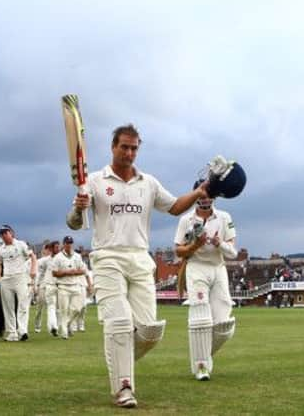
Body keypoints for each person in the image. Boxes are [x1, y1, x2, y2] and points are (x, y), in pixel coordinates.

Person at [66, 124, 213, 408]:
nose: (130, 153)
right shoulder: (95, 181)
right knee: (120, 323)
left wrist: (200, 192)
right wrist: (78, 206)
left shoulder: (148, 183)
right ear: (113, 147)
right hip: (107, 257)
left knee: (149, 331)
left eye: (134, 148)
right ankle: (124, 387)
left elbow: (174, 207)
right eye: (124, 147)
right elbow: (74, 222)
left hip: (140, 259)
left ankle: (117, 353)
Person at [174, 182, 237, 381]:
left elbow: (234, 252)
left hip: (218, 269)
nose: (205, 199)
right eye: (202, 195)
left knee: (223, 325)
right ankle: (201, 366)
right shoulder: (186, 220)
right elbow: (178, 251)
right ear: (196, 196)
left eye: (209, 196)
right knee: (201, 318)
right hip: (196, 268)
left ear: (214, 197)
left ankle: (203, 355)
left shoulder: (224, 218)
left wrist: (220, 244)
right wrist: (195, 245)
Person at [0, 225, 37, 342]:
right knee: (8, 307)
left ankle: (22, 331)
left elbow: (32, 256)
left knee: (23, 305)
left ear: (11, 233)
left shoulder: (21, 244)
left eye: (6, 233)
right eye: (2, 233)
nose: (4, 235)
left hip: (20, 277)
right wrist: (0, 278)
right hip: (6, 279)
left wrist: (33, 270)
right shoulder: (1, 249)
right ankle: (12, 333)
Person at [51, 236, 86, 339]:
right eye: (67, 243)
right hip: (63, 286)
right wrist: (66, 272)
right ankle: (64, 333)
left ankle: (67, 324)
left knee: (77, 308)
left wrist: (74, 272)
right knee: (64, 310)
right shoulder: (58, 257)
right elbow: (54, 273)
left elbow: (83, 270)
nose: (69, 245)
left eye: (70, 243)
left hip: (75, 285)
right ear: (64, 244)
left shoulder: (77, 256)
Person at [33, 242, 51, 334]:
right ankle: (37, 325)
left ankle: (53, 326)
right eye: (46, 248)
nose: (48, 250)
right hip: (41, 285)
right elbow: (36, 274)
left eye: (49, 248)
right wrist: (36, 286)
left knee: (53, 307)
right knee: (40, 307)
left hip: (51, 285)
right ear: (43, 250)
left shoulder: (54, 260)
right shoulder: (39, 261)